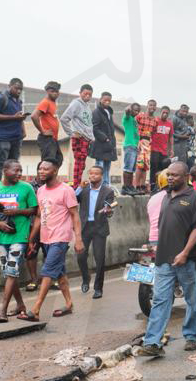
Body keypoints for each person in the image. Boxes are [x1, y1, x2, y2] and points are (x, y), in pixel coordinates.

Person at [139, 162, 196, 356]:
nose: (170, 178)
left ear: (186, 176)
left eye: (175, 175)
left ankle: (191, 336)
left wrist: (185, 252)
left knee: (191, 299)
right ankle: (152, 342)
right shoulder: (165, 197)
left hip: (186, 259)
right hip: (163, 258)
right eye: (168, 175)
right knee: (161, 299)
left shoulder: (195, 198)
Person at [23, 159, 83, 320]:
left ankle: (35, 309)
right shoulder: (41, 190)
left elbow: (75, 215)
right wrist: (32, 238)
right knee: (60, 273)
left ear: (55, 171)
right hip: (45, 237)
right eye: (40, 168)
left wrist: (78, 239)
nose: (41, 171)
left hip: (61, 237)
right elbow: (38, 216)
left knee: (48, 271)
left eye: (45, 169)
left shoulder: (66, 190)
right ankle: (69, 303)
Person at [0, 159, 38, 321]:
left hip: (19, 236)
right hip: (0, 238)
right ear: (5, 170)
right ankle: (20, 305)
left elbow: (34, 210)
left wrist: (16, 212)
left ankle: (2, 310)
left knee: (12, 270)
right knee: (8, 273)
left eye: (20, 170)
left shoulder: (26, 187)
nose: (20, 174)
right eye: (16, 170)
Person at [75, 166, 116, 299]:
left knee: (100, 259)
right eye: (91, 173)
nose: (92, 176)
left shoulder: (108, 191)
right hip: (85, 227)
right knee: (80, 256)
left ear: (101, 176)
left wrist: (109, 211)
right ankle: (86, 278)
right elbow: (73, 200)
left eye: (96, 174)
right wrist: (79, 188)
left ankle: (98, 288)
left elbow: (109, 208)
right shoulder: (84, 190)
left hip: (99, 228)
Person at [0, 77, 29, 178]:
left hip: (16, 138)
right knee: (1, 163)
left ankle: (12, 188)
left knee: (14, 164)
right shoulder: (1, 98)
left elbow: (18, 118)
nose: (19, 91)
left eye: (21, 89)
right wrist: (13, 117)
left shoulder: (18, 101)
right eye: (16, 88)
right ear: (9, 86)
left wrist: (23, 130)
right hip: (3, 137)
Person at [60, 83, 95, 185]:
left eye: (90, 95)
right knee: (78, 162)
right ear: (80, 93)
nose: (87, 96)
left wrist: (92, 137)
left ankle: (79, 184)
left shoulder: (87, 107)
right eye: (85, 94)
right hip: (79, 137)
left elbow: (88, 124)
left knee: (82, 163)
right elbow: (64, 119)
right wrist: (71, 133)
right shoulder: (76, 103)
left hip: (87, 139)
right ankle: (76, 185)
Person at [31, 81, 64, 168]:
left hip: (53, 139)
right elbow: (34, 116)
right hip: (47, 138)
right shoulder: (45, 102)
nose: (55, 93)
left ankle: (51, 180)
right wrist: (43, 131)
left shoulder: (53, 103)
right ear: (48, 91)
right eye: (52, 91)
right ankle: (41, 181)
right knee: (47, 163)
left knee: (58, 159)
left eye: (57, 91)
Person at [88, 92, 117, 185]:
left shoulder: (109, 112)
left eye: (109, 100)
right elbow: (94, 128)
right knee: (99, 167)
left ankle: (106, 186)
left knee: (107, 167)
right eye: (105, 100)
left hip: (109, 146)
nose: (107, 102)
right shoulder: (96, 112)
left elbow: (111, 130)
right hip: (100, 145)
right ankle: (98, 186)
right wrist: (105, 138)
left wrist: (112, 141)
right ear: (101, 99)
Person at [134, 100, 158, 192]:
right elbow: (134, 128)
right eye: (151, 105)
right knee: (139, 165)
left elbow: (154, 132)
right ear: (147, 105)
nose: (152, 107)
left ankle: (142, 186)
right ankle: (136, 186)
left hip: (148, 144)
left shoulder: (155, 120)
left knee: (145, 166)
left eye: (154, 105)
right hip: (139, 141)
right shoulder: (140, 116)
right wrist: (137, 142)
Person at [150, 106, 174, 190]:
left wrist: (171, 149)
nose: (165, 114)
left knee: (163, 168)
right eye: (163, 112)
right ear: (160, 112)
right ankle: (153, 186)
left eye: (167, 113)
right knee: (154, 168)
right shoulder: (155, 121)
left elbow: (171, 137)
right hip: (154, 149)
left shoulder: (169, 124)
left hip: (164, 151)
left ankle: (162, 185)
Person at [120, 102, 141, 195]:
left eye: (138, 111)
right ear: (131, 109)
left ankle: (130, 186)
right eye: (135, 110)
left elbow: (136, 135)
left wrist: (138, 145)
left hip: (134, 146)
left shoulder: (134, 120)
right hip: (129, 145)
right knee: (128, 167)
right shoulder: (127, 118)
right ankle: (125, 187)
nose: (136, 112)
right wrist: (128, 110)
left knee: (132, 169)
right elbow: (127, 112)